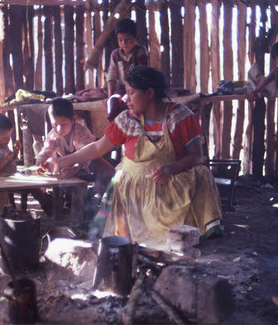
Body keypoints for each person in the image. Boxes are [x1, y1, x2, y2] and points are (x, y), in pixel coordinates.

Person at [44, 66, 223, 250]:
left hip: (170, 185)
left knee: (202, 175)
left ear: (150, 93)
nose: (125, 98)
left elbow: (197, 156)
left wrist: (170, 169)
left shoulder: (180, 116)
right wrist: (60, 162)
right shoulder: (126, 120)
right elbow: (97, 147)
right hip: (134, 191)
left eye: (131, 93)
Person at [35, 98, 115, 195]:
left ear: (73, 119)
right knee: (63, 186)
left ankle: (96, 194)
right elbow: (46, 150)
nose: (59, 129)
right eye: (55, 124)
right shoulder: (53, 135)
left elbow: (85, 156)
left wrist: (75, 169)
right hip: (66, 166)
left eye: (63, 124)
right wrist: (37, 165)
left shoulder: (81, 131)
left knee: (105, 178)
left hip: (88, 163)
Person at [0, 114, 50, 212]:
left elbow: (10, 161)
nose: (8, 140)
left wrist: (16, 152)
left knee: (33, 185)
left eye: (9, 136)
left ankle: (46, 205)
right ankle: (12, 213)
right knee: (27, 186)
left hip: (10, 176)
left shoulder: (0, 143)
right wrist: (5, 159)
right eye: (4, 137)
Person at [105, 18, 149, 121]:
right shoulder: (115, 54)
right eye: (120, 40)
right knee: (113, 103)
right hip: (122, 88)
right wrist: (110, 95)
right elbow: (111, 75)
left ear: (136, 37)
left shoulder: (140, 51)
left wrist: (129, 93)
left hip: (138, 87)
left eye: (127, 39)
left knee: (137, 102)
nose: (123, 43)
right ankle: (117, 125)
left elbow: (141, 74)